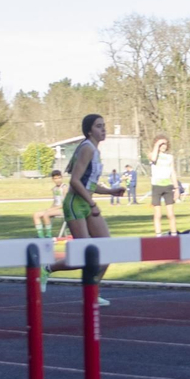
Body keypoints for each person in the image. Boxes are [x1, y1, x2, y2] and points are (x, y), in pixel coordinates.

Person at [46, 115, 125, 304]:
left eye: (104, 126)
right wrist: (92, 203)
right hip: (75, 204)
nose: (103, 129)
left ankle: (93, 292)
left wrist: (110, 191)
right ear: (89, 131)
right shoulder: (87, 149)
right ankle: (48, 268)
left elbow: (88, 184)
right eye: (99, 126)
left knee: (107, 249)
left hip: (86, 201)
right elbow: (74, 181)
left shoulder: (95, 151)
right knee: (84, 255)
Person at [148, 137, 179, 237]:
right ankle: (158, 235)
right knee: (158, 214)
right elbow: (153, 158)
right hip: (157, 186)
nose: (163, 146)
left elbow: (172, 171)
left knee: (170, 213)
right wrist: (157, 144)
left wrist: (176, 187)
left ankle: (174, 234)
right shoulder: (152, 154)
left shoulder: (170, 157)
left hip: (168, 186)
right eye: (161, 144)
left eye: (165, 144)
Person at [33, 170, 65, 238]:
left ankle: (48, 235)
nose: (58, 180)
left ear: (62, 177)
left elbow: (65, 203)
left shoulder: (64, 187)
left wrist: (52, 209)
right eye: (55, 178)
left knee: (46, 214)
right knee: (36, 214)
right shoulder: (54, 189)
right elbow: (55, 201)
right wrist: (50, 208)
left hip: (63, 210)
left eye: (59, 178)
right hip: (55, 209)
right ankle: (40, 235)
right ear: (53, 179)